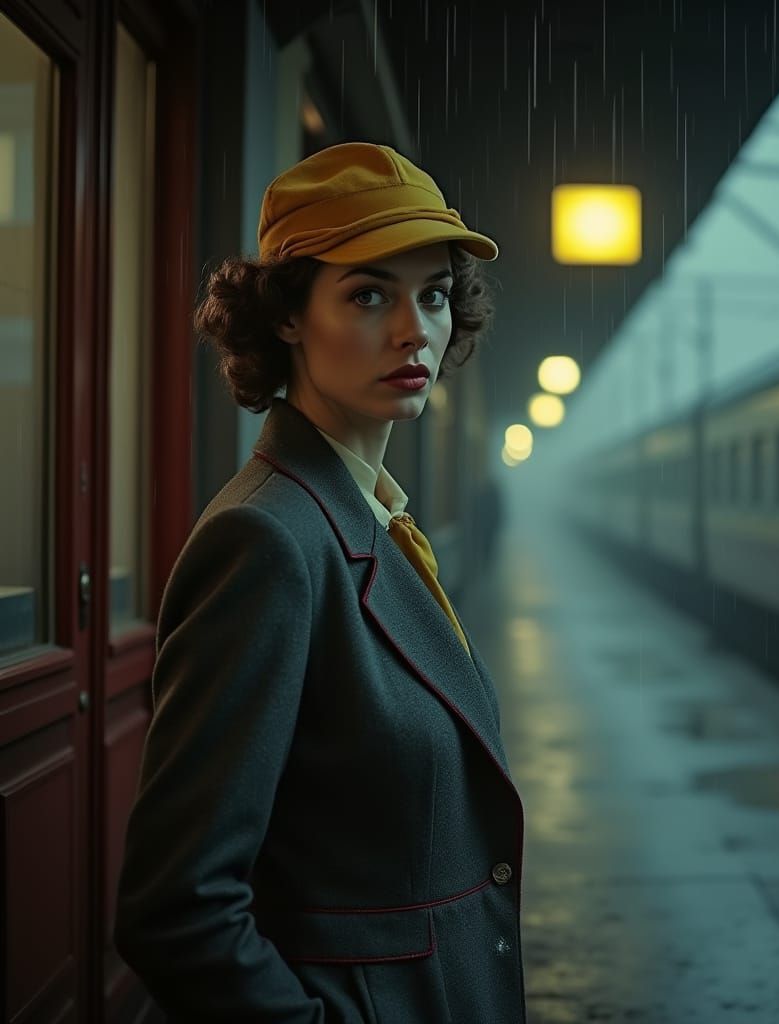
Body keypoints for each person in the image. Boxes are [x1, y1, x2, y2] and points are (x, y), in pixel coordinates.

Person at [113, 142, 526, 1023]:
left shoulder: (377, 519)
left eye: (434, 295)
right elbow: (178, 909)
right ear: (287, 316)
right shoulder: (266, 542)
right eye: (370, 294)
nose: (415, 329)